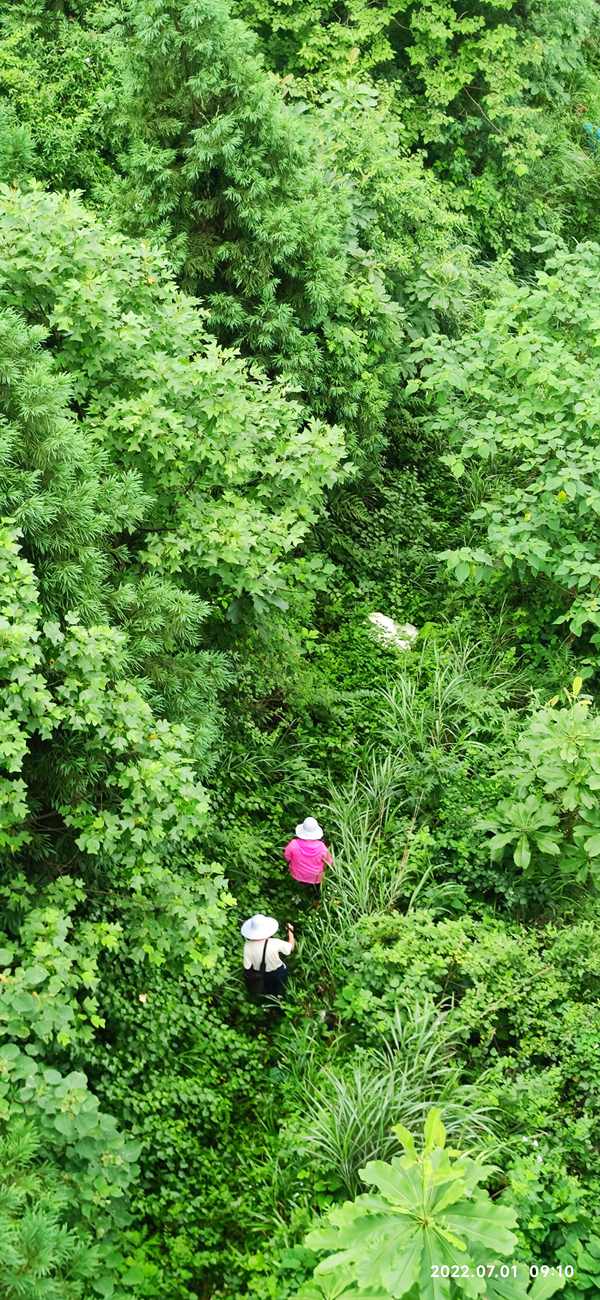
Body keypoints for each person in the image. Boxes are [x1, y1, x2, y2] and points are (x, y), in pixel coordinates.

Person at [241, 914, 295, 999]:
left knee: (267, 990)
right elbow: (290, 948)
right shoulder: (275, 943)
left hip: (261, 974)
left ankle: (267, 1000)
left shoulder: (247, 946)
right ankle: (279, 1000)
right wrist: (290, 931)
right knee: (280, 989)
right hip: (278, 972)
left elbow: (247, 966)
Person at [284, 817, 332, 896]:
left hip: (297, 876)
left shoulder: (294, 844)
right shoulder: (322, 847)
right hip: (316, 878)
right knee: (314, 894)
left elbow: (287, 857)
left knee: (297, 891)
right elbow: (329, 862)